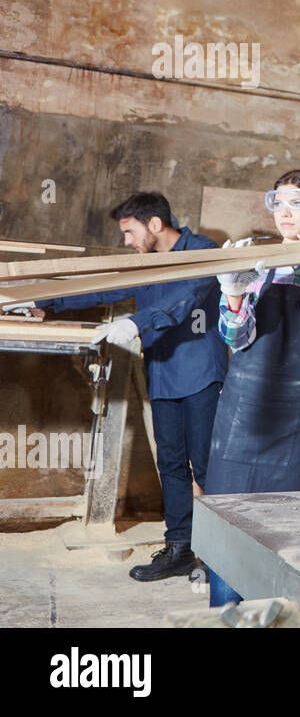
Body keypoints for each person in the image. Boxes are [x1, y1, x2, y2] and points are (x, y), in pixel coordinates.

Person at [3, 192, 227, 581]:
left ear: (154, 224)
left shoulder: (203, 250)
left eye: (129, 231)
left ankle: (223, 558)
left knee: (208, 467)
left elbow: (185, 297)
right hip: (163, 372)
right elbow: (105, 287)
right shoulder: (143, 261)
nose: (126, 241)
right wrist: (44, 302)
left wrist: (137, 324)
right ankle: (179, 549)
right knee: (171, 463)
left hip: (201, 374)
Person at [201, 169, 300, 606]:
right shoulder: (259, 265)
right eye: (278, 203)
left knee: (287, 528)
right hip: (243, 412)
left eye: (298, 203)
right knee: (229, 523)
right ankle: (225, 614)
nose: (285, 213)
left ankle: (274, 614)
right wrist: (232, 292)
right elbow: (235, 338)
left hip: (299, 418)